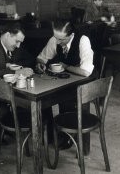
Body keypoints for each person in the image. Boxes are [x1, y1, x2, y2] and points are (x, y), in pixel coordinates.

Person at [35, 20, 94, 149]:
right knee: (43, 99)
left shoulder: (83, 40)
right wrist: (40, 64)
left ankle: (69, 136)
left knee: (68, 102)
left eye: (61, 40)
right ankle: (50, 134)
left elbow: (85, 71)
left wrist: (66, 66)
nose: (57, 42)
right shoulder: (55, 39)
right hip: (64, 81)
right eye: (55, 38)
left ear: (71, 35)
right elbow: (42, 57)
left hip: (82, 84)